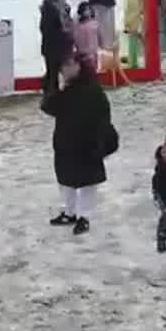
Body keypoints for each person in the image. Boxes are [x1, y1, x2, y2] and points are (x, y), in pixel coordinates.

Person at [42, 54, 115, 235]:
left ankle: (85, 217)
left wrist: (100, 142)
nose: (65, 70)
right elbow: (50, 107)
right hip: (66, 144)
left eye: (69, 65)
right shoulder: (67, 89)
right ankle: (69, 213)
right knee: (66, 181)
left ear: (80, 66)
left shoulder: (92, 89)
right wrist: (52, 85)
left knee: (87, 183)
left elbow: (103, 116)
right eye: (63, 66)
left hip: (88, 144)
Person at [38, 0, 73, 99]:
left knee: (55, 71)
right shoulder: (49, 11)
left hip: (60, 47)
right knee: (53, 72)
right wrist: (62, 30)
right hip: (52, 47)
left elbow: (69, 23)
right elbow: (45, 29)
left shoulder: (62, 10)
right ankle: (52, 94)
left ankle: (50, 91)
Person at [72, 2, 103, 73]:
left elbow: (100, 37)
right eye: (85, 10)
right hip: (82, 53)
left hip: (93, 52)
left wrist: (100, 46)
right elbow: (75, 39)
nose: (87, 11)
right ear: (81, 12)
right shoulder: (77, 26)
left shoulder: (95, 23)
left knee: (93, 71)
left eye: (89, 9)